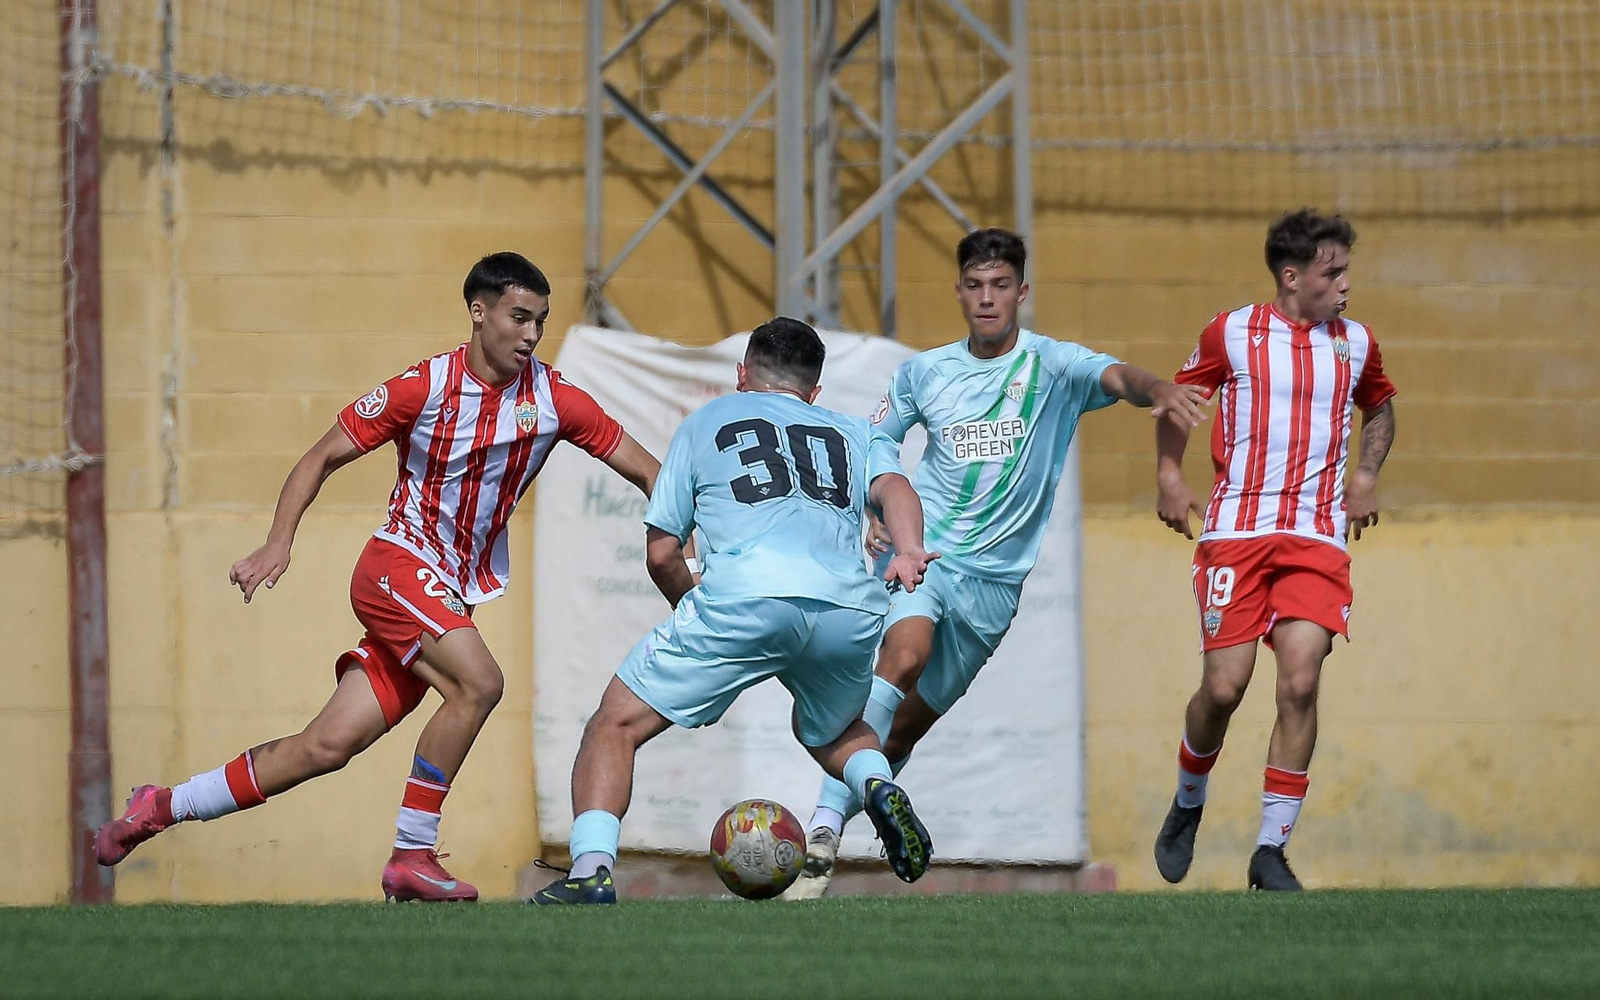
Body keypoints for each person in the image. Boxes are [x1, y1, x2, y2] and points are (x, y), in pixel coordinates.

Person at [94, 252, 661, 902]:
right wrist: (278, 542)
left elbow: (649, 470)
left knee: (324, 747)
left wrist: (689, 527)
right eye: (519, 317)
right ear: (480, 313)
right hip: (394, 567)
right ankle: (412, 853)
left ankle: (160, 806)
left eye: (540, 321)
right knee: (480, 683)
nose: (531, 335)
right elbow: (321, 455)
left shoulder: (554, 399)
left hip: (442, 595)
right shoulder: (422, 388)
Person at [786, 228, 1209, 899]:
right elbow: (876, 441)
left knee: (905, 727)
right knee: (903, 654)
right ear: (959, 292)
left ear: (1021, 292)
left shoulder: (1053, 367)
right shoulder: (925, 372)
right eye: (975, 286)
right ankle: (820, 842)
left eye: (1000, 285)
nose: (987, 299)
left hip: (994, 591)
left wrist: (1156, 387)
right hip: (923, 556)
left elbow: (1119, 377)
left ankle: (873, 805)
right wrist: (874, 508)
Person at [529, 317, 939, 905]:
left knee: (614, 724)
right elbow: (896, 490)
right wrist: (907, 551)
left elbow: (663, 551)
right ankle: (874, 782)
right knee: (832, 729)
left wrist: (694, 613)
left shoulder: (704, 423)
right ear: (814, 392)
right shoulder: (851, 430)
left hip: (744, 598)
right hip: (847, 608)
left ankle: (590, 872)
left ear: (741, 374)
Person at [1151, 209, 1397, 891]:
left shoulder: (1357, 343)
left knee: (1301, 680)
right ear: (1292, 278)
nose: (1345, 284)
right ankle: (1189, 799)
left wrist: (1366, 476)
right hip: (1236, 535)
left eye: (1346, 269)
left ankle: (1270, 850)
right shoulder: (1231, 332)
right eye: (1333, 271)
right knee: (1224, 689)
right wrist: (1170, 475)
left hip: (1316, 538)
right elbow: (1179, 399)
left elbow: (1381, 406)